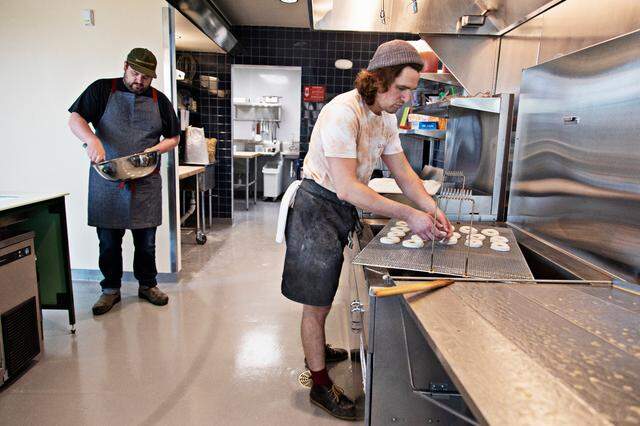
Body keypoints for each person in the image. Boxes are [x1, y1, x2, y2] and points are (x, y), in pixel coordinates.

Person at [280, 40, 452, 420]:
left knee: (325, 291)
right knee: (317, 300)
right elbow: (347, 187)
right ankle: (320, 384)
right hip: (317, 207)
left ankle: (319, 349)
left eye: (411, 90)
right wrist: (408, 216)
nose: (406, 98)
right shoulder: (343, 112)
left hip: (341, 207)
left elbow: (404, 174)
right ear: (377, 80)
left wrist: (431, 207)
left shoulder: (386, 119)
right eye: (402, 89)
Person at [68, 48, 180, 315]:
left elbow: (174, 138)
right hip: (107, 180)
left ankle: (147, 285)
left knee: (146, 241)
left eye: (146, 77)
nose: (139, 81)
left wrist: (155, 151)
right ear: (125, 66)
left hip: (145, 183)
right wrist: (92, 140)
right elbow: (75, 118)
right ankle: (110, 290)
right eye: (135, 73)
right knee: (108, 241)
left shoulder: (159, 100)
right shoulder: (101, 90)